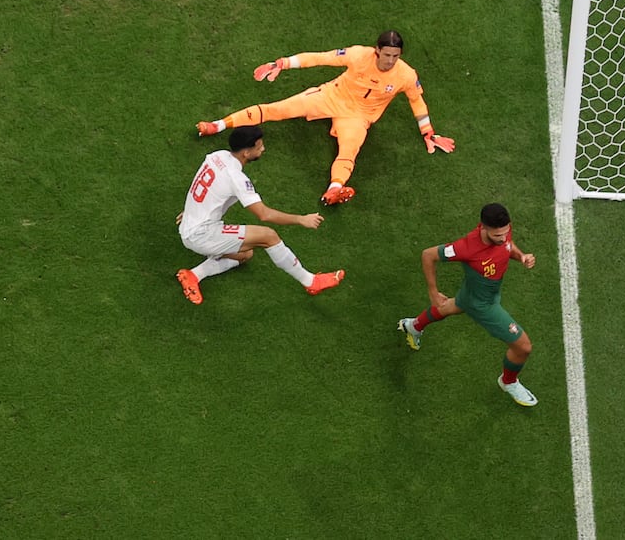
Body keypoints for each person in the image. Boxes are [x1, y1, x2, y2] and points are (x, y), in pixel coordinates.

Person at [196, 30, 455, 206]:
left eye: (395, 57)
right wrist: (283, 63)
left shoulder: (406, 75)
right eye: (386, 55)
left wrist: (428, 132)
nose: (390, 61)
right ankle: (217, 125)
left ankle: (334, 188)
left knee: (350, 149)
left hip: (359, 116)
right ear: (377, 50)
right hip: (332, 96)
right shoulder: (357, 55)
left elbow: (416, 100)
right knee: (279, 109)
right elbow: (321, 58)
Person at [176, 125, 344, 304]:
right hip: (201, 234)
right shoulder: (237, 179)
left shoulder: (217, 156)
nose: (263, 149)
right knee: (268, 236)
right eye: (259, 147)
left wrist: (191, 211)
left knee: (245, 255)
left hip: (190, 223)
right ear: (246, 153)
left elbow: (202, 188)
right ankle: (311, 281)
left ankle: (194, 275)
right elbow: (264, 214)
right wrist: (301, 219)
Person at [397, 203, 538, 407]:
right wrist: (433, 292)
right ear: (483, 227)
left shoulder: (502, 231)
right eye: (497, 236)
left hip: (476, 292)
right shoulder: (465, 248)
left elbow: (508, 246)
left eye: (505, 233)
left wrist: (521, 256)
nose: (502, 239)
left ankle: (414, 326)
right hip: (483, 304)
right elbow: (428, 255)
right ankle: (508, 382)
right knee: (523, 347)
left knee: (453, 305)